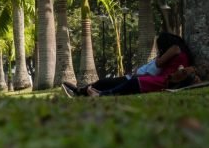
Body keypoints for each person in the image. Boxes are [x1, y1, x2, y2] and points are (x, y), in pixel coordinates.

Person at [62, 32, 194, 98]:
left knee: (124, 82)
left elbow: (163, 62)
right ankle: (82, 91)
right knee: (106, 81)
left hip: (163, 79)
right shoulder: (176, 52)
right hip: (158, 77)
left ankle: (98, 94)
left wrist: (160, 57)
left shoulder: (176, 49)